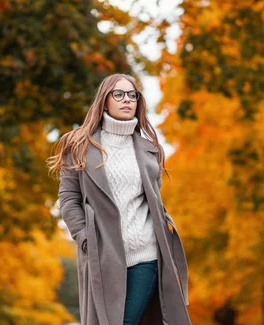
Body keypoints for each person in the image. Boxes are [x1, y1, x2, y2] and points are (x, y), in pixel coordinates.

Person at [47, 74, 190, 325]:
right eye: (119, 94)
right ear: (104, 101)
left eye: (132, 95)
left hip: (146, 254)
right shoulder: (79, 145)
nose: (127, 100)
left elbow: (153, 202)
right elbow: (68, 198)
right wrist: (84, 237)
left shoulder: (149, 150)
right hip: (103, 255)